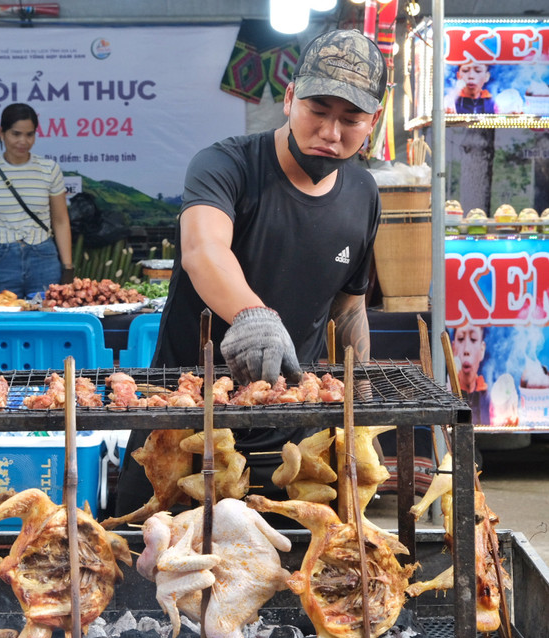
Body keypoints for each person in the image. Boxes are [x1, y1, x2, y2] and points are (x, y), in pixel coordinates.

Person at [114, 28, 386, 518]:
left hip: (291, 445)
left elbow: (350, 305)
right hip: (184, 429)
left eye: (351, 119)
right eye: (317, 111)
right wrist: (251, 314)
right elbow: (203, 247)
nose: (331, 132)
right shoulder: (227, 165)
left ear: (375, 121)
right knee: (146, 573)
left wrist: (360, 406)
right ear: (288, 99)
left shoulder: (364, 193)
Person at [0, 103, 75, 298]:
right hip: (1, 260)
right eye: (16, 134)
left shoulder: (49, 169)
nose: (23, 141)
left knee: (46, 321)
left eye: (29, 134)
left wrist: (67, 267)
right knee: (3, 323)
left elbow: (60, 220)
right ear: (2, 133)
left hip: (44, 258)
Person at [451, 322, 490, 425]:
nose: (466, 350)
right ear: (453, 348)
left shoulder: (490, 398)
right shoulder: (445, 392)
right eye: (460, 339)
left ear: (482, 350)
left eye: (473, 339)